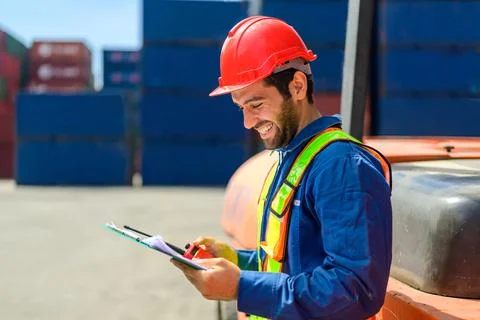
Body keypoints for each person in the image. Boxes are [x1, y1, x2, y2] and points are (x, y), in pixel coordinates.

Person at [171, 16, 392, 320]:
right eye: (241, 108)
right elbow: (291, 264)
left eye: (256, 104)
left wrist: (242, 287)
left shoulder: (342, 168)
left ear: (297, 86)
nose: (247, 122)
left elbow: (354, 290)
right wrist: (237, 260)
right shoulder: (292, 158)